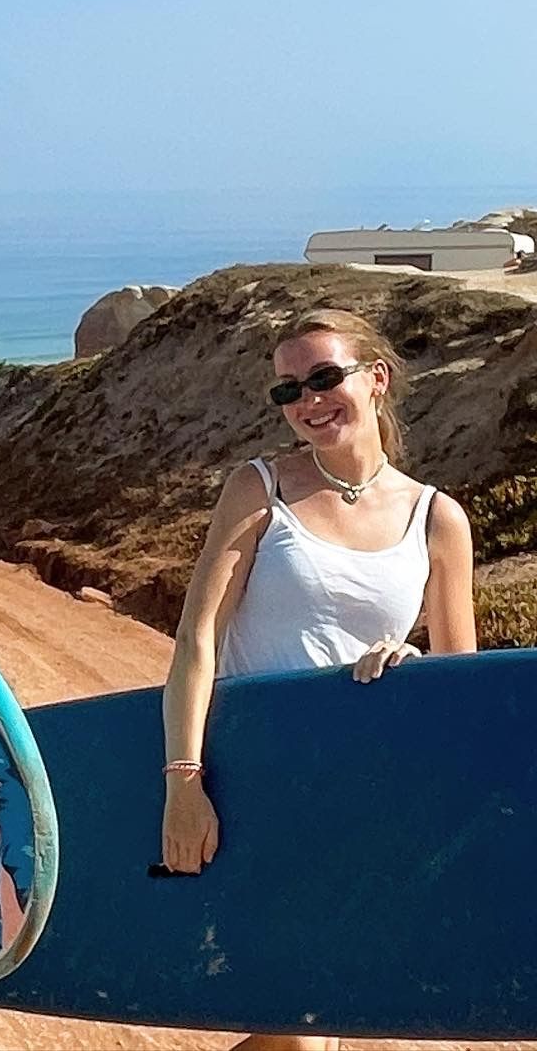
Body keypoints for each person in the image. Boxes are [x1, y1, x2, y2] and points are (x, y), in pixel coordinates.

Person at [160, 308, 476, 1051]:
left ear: (376, 378)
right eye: (288, 390)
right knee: (303, 1031)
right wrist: (183, 780)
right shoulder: (259, 487)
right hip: (253, 782)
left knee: (326, 1025)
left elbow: (464, 691)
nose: (308, 400)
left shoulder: (439, 519)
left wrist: (415, 666)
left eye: (325, 378)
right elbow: (197, 638)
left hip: (365, 790)